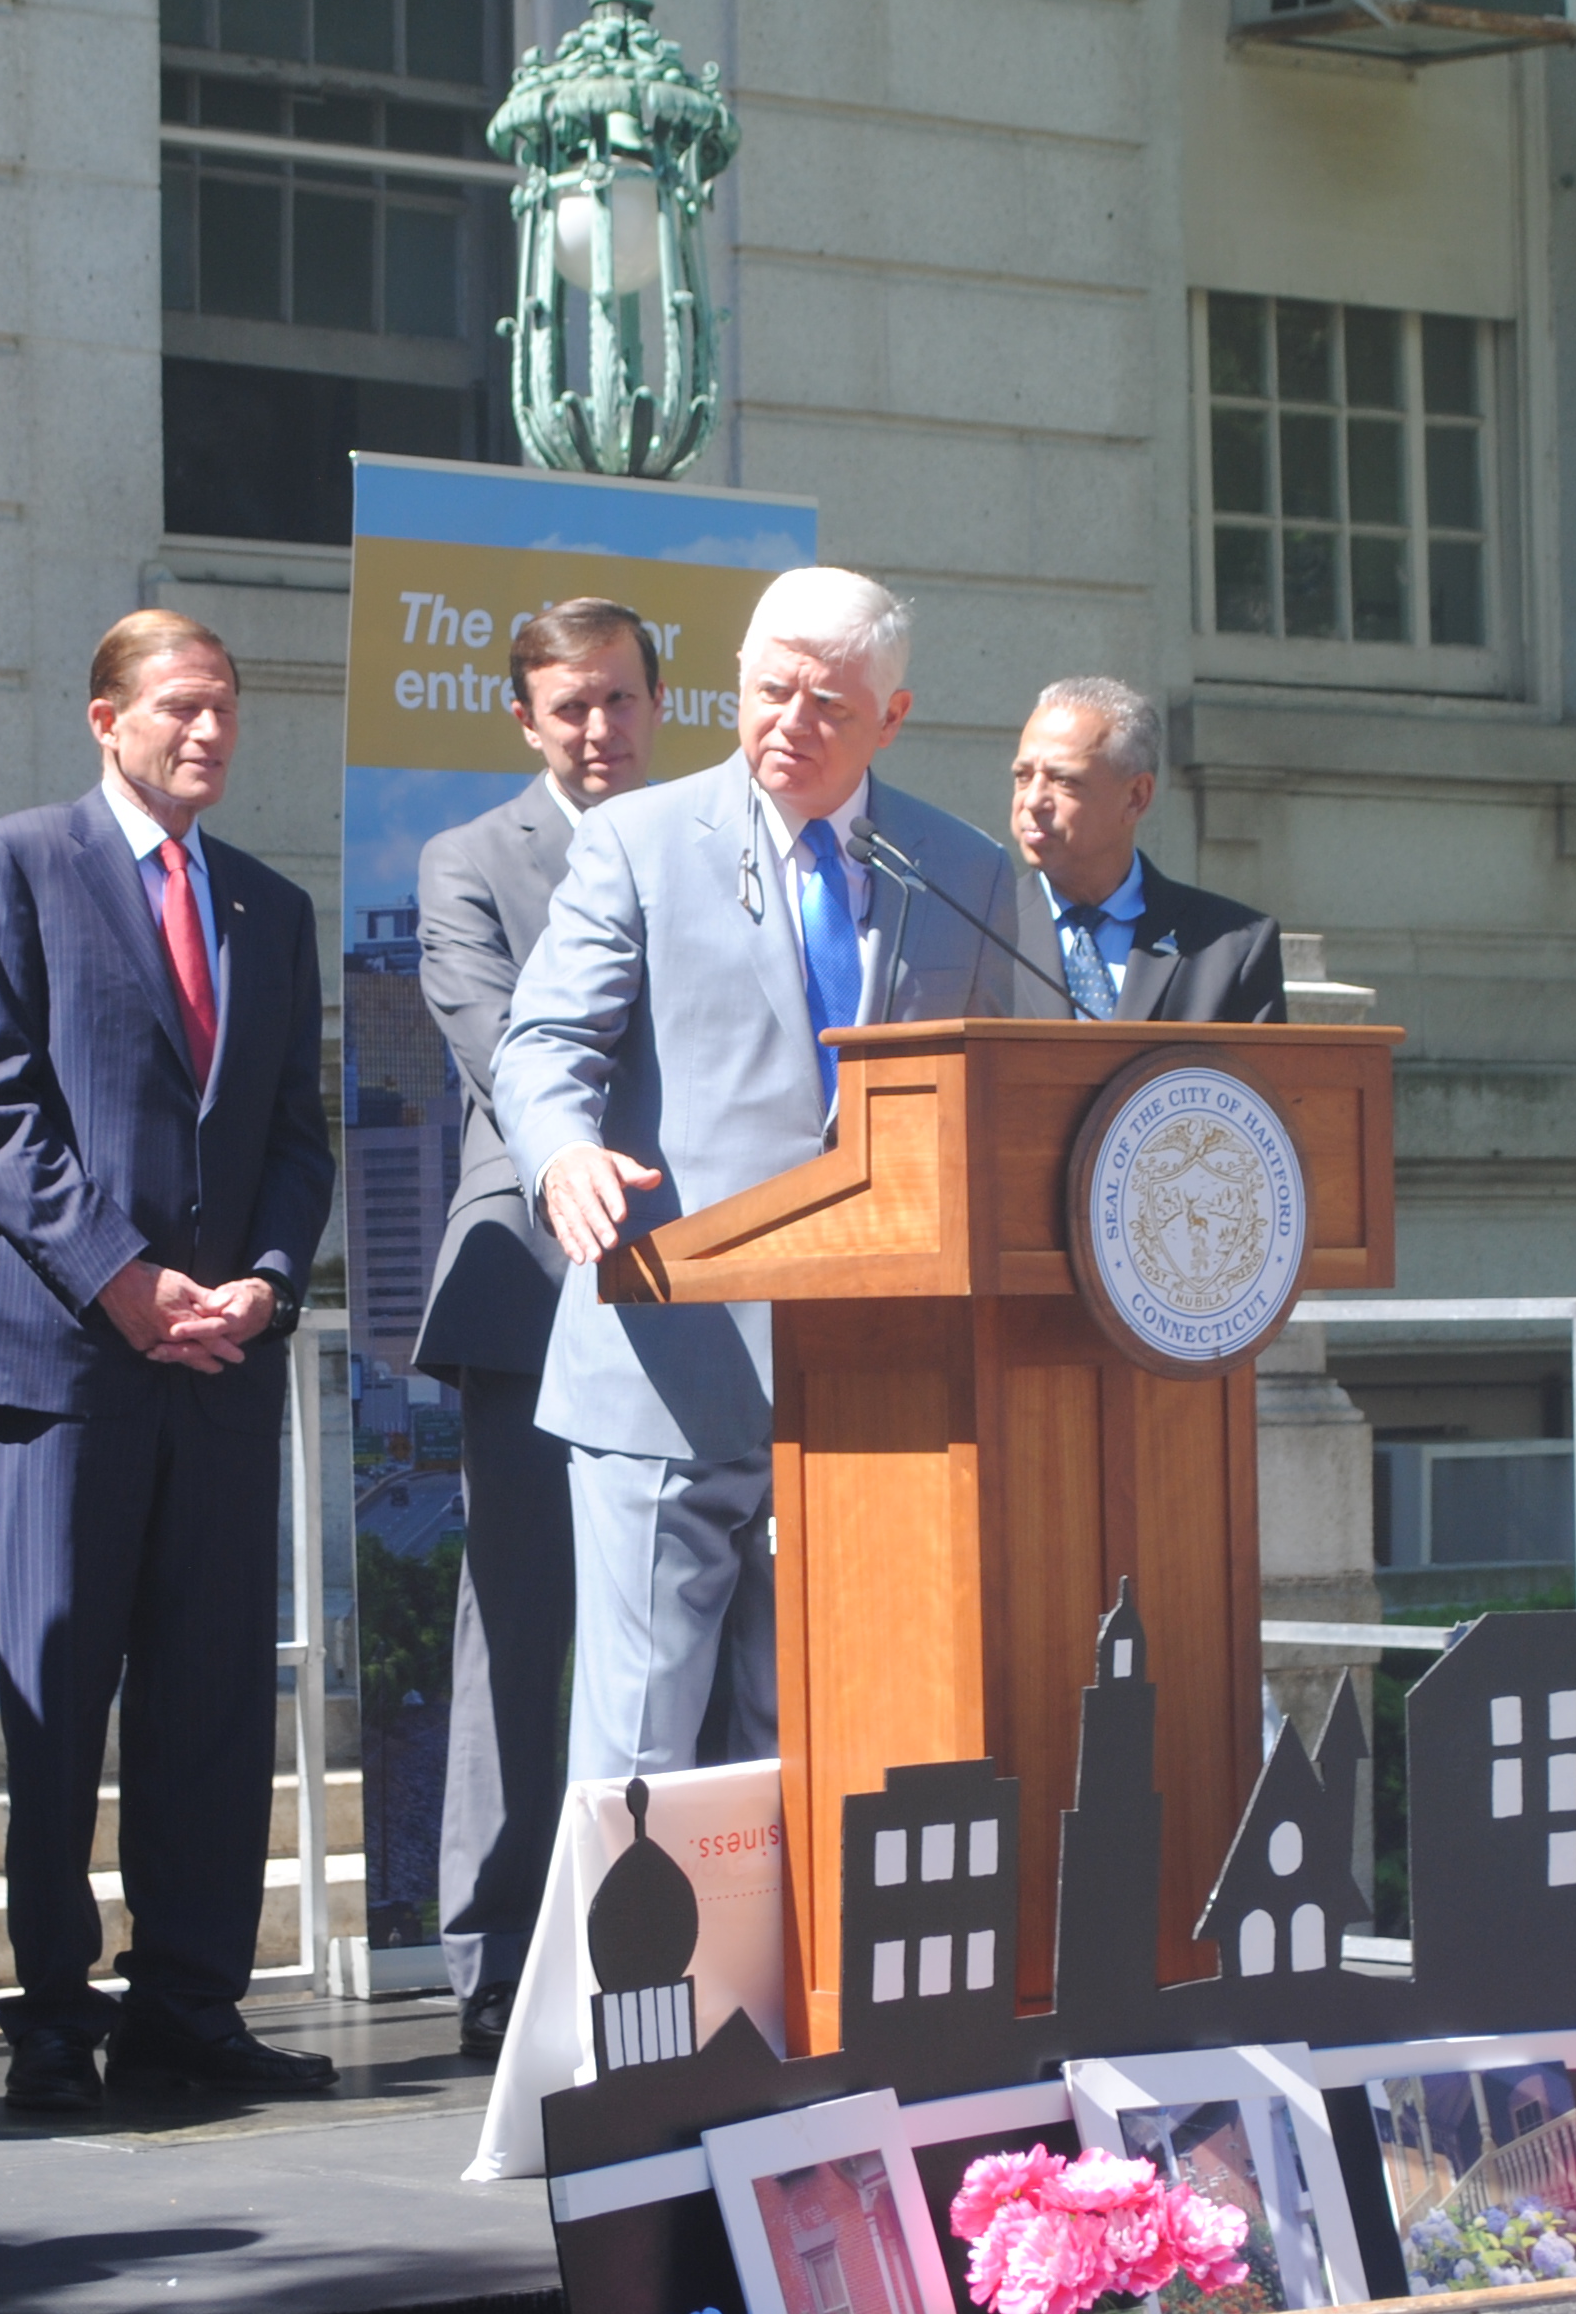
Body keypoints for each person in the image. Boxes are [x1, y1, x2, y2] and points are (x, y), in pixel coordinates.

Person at [492, 567, 1018, 1782]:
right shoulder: (637, 840)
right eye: (770, 689)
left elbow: (991, 1100)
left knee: (827, 1736)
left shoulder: (959, 871)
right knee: (643, 1751)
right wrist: (563, 1149)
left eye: (829, 706)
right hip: (667, 1360)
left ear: (891, 719)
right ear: (736, 681)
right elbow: (545, 1043)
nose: (790, 722)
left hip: (872, 1388)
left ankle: (799, 1976)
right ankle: (628, 1981)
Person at [0, 610, 338, 2113]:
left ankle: (189, 2004)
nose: (210, 732)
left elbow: (298, 1133)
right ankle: (49, 2013)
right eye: (180, 707)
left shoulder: (271, 910)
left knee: (213, 1703)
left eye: (227, 707)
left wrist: (265, 1282)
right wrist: (122, 1279)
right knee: (58, 1696)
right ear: (105, 719)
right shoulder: (17, 865)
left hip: (218, 1371)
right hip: (63, 1370)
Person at [410, 598, 658, 2059]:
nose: (599, 730)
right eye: (571, 706)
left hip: (703, 1275)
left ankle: (666, 1927)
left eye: (621, 700)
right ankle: (495, 1957)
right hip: (531, 1284)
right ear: (526, 717)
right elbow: (502, 1048)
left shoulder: (708, 841)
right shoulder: (470, 864)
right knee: (520, 1628)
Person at [1004, 676, 1285, 1023]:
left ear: (1136, 797)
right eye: (1023, 776)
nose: (1032, 800)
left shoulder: (1231, 945)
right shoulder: (976, 932)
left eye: (1064, 781)